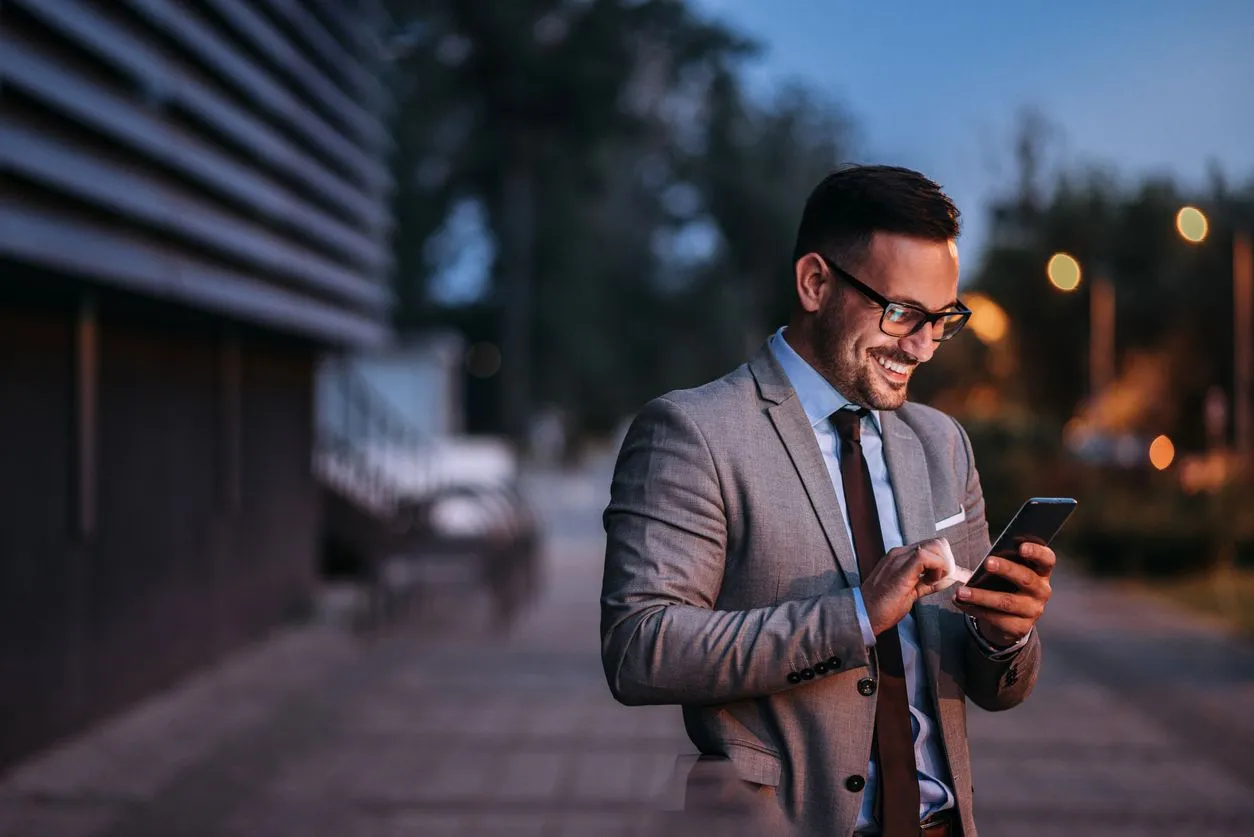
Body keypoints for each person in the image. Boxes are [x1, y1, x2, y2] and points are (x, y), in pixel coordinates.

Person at [600, 165, 1055, 837]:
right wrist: (854, 615)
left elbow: (995, 686)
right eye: (901, 313)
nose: (923, 346)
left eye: (942, 319)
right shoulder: (694, 431)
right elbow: (640, 648)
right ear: (815, 282)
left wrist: (1004, 633)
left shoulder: (942, 443)